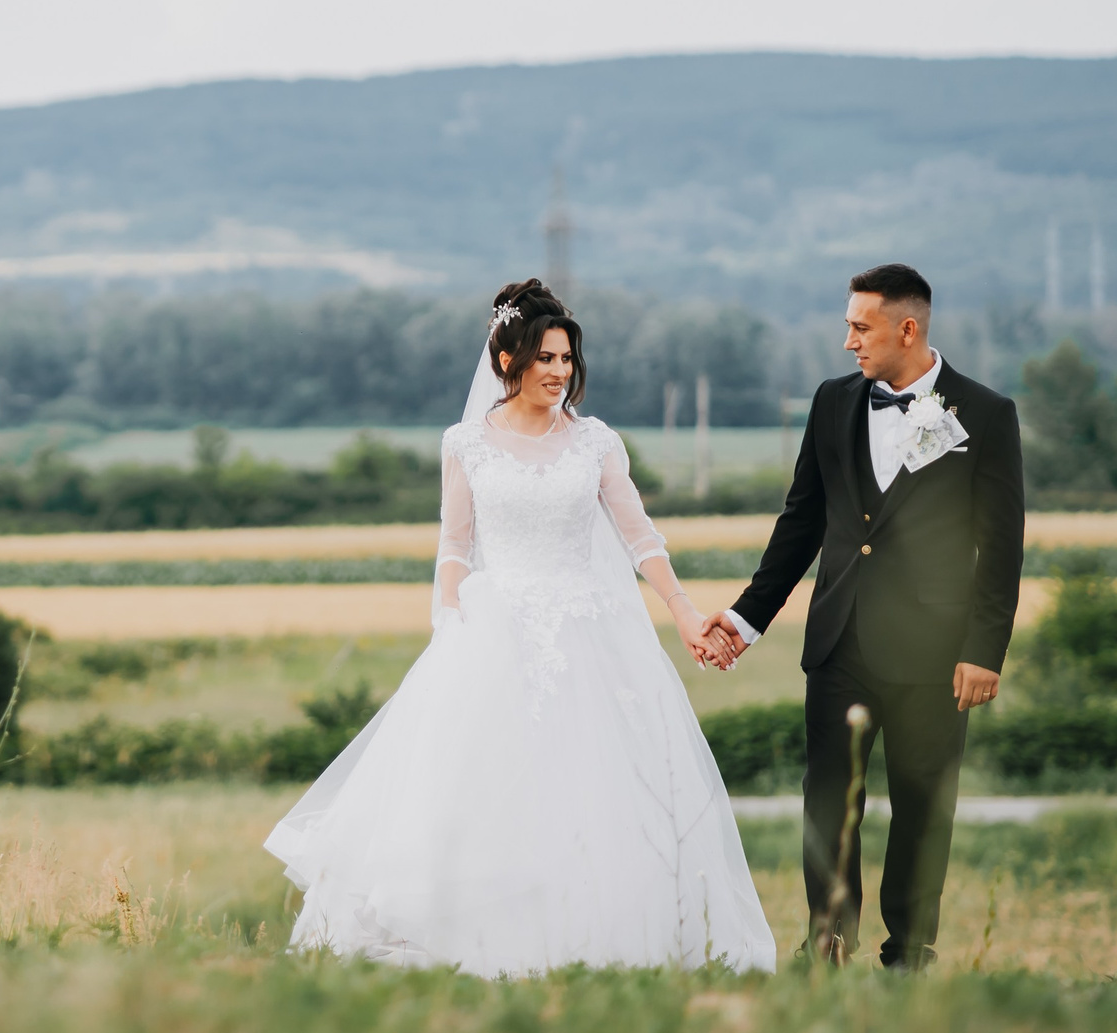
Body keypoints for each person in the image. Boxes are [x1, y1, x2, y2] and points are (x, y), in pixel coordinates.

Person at [264, 279, 777, 978]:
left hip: (587, 637)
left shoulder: (595, 443)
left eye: (567, 358)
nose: (559, 371)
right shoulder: (466, 443)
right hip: (495, 631)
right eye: (546, 358)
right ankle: (474, 938)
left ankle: (594, 942)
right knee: (482, 792)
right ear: (508, 361)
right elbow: (455, 544)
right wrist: (450, 619)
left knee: (593, 789)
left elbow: (640, 538)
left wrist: (684, 610)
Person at [707, 263, 1025, 968]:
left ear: (906, 328)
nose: (847, 339)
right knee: (827, 803)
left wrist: (985, 648)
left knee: (920, 807)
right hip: (839, 638)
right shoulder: (831, 403)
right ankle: (828, 941)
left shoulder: (986, 414)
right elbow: (800, 523)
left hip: (936, 650)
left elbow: (1002, 547)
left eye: (860, 325)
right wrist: (745, 618)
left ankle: (910, 951)